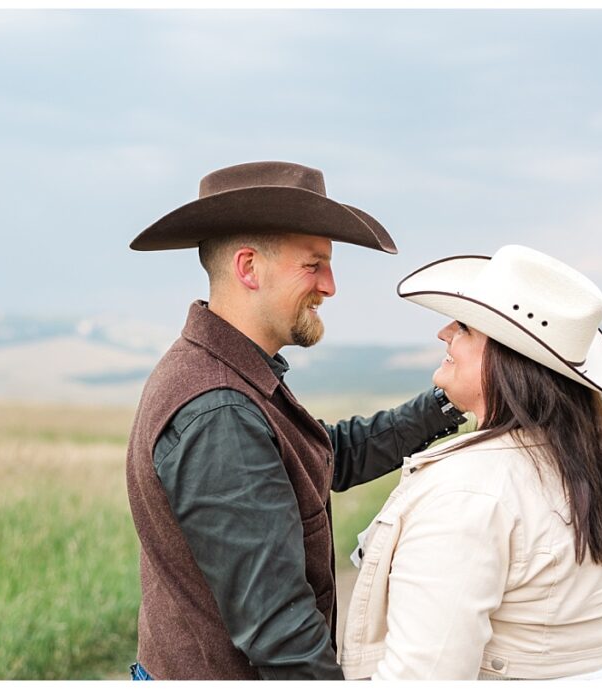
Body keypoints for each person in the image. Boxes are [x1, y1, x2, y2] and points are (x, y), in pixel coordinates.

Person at [124, 161, 464, 680]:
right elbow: (280, 633)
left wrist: (446, 403)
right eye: (314, 265)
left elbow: (322, 456)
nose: (330, 286)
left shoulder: (229, 376)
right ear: (248, 268)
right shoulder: (219, 410)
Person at [340, 245, 602, 680]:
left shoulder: (464, 494)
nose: (444, 332)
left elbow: (426, 674)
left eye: (466, 327)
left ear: (507, 360)